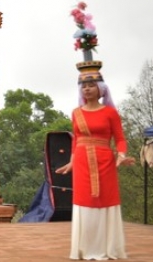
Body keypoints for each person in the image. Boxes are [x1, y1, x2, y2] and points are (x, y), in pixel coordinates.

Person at [55, 59, 133, 260]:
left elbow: (120, 139)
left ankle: (107, 248)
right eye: (83, 86)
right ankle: (86, 249)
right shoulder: (76, 113)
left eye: (91, 85)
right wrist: (72, 162)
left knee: (105, 200)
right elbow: (76, 141)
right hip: (81, 162)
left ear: (101, 89)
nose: (87, 89)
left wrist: (121, 155)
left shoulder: (110, 113)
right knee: (84, 202)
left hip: (105, 160)